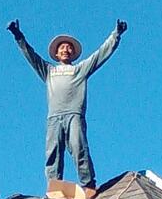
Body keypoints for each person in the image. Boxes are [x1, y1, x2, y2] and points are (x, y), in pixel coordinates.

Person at [7, 18, 124, 188]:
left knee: (78, 147)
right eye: (62, 47)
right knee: (53, 152)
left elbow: (100, 55)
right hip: (54, 117)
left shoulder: (79, 70)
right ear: (56, 53)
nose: (65, 50)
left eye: (69, 47)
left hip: (74, 115)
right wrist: (18, 35)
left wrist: (116, 35)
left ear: (73, 52)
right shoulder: (49, 71)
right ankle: (54, 185)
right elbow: (31, 56)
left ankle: (88, 184)